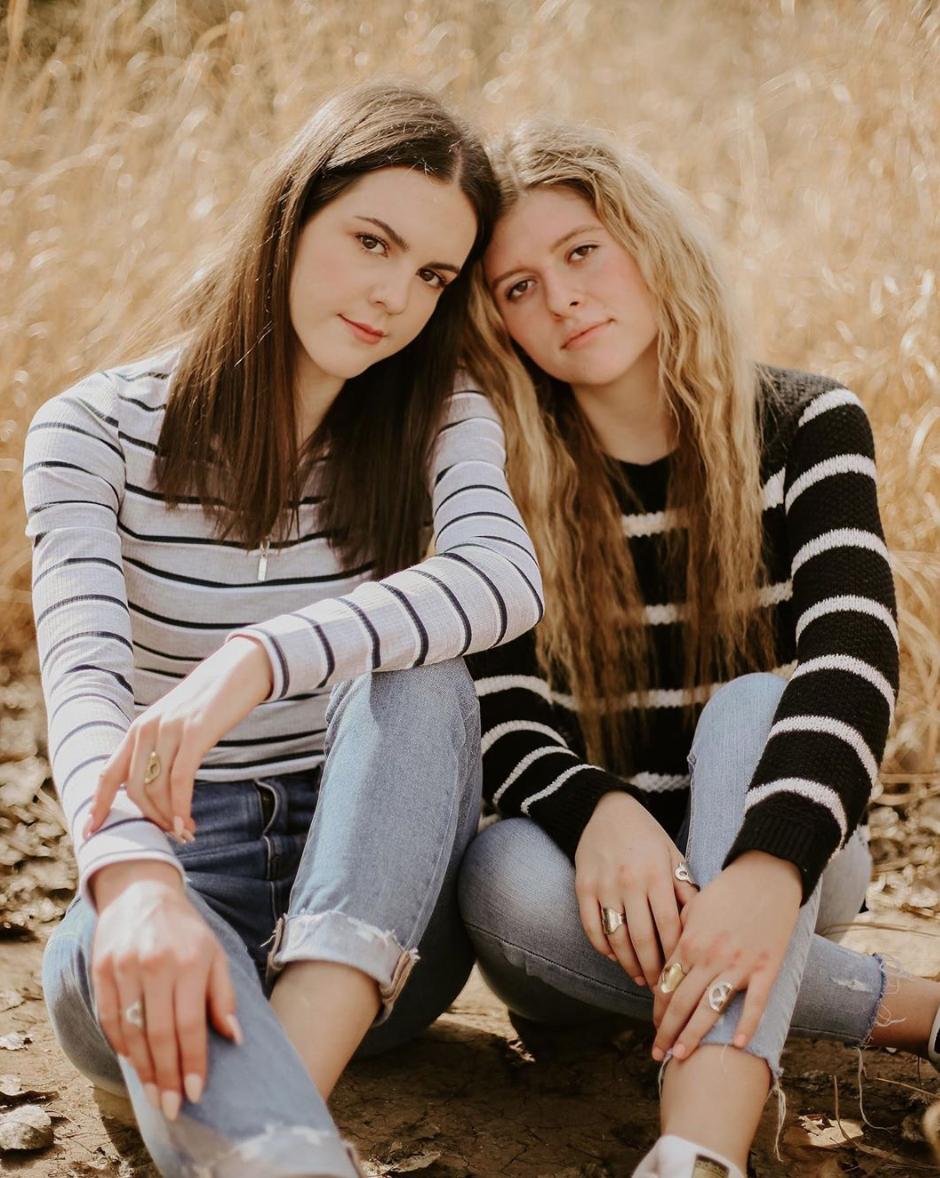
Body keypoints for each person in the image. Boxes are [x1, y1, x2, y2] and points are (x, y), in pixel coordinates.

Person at [26, 83, 543, 1178]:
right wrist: (138, 889)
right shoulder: (89, 429)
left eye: (431, 274)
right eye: (371, 240)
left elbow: (502, 578)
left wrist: (252, 658)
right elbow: (81, 679)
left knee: (421, 675)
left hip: (379, 905)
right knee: (101, 957)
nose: (394, 295)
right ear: (291, 214)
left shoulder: (443, 416)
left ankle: (268, 1102)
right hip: (178, 868)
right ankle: (291, 1142)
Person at [456, 119, 940, 1178]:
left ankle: (698, 1144)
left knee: (751, 706)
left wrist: (764, 868)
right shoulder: (499, 468)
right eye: (517, 286)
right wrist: (600, 807)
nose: (562, 297)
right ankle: (900, 1006)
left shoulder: (805, 420)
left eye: (580, 251)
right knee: (496, 874)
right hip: (591, 900)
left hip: (790, 854)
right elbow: (502, 705)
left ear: (647, 240)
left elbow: (852, 656)